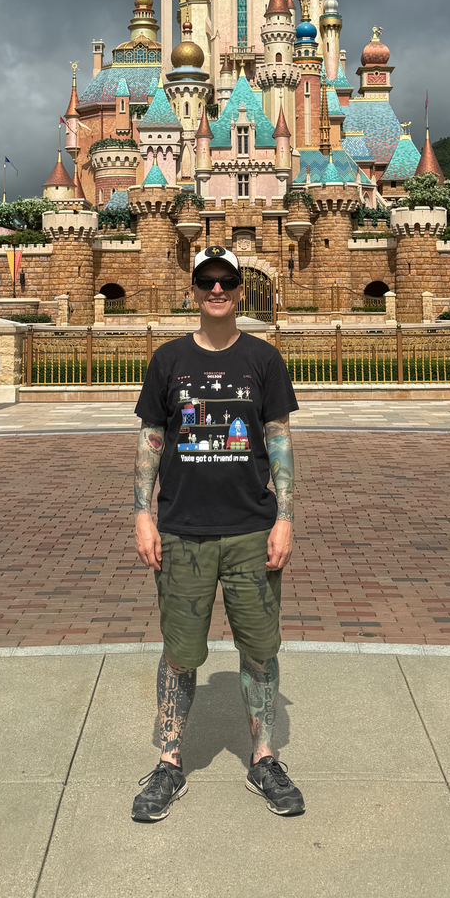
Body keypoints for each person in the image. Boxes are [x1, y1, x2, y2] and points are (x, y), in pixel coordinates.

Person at [131, 243, 304, 821]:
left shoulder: (263, 360)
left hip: (252, 531)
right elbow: (151, 439)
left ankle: (263, 757)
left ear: (239, 289)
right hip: (182, 531)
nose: (216, 291)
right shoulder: (168, 361)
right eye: (206, 281)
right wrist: (141, 513)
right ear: (193, 289)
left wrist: (285, 516)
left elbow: (277, 438)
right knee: (180, 654)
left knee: (259, 650)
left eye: (226, 282)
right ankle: (169, 760)